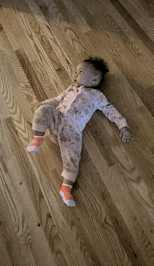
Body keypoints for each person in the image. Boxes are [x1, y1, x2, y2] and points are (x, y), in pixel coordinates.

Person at [27, 57, 131, 207]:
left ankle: (66, 188)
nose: (75, 75)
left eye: (80, 72)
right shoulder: (71, 88)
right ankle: (38, 138)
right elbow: (57, 99)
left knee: (73, 158)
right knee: (44, 110)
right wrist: (43, 105)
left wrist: (122, 125)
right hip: (57, 119)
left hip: (72, 131)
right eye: (76, 72)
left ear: (95, 79)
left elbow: (110, 110)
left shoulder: (98, 96)